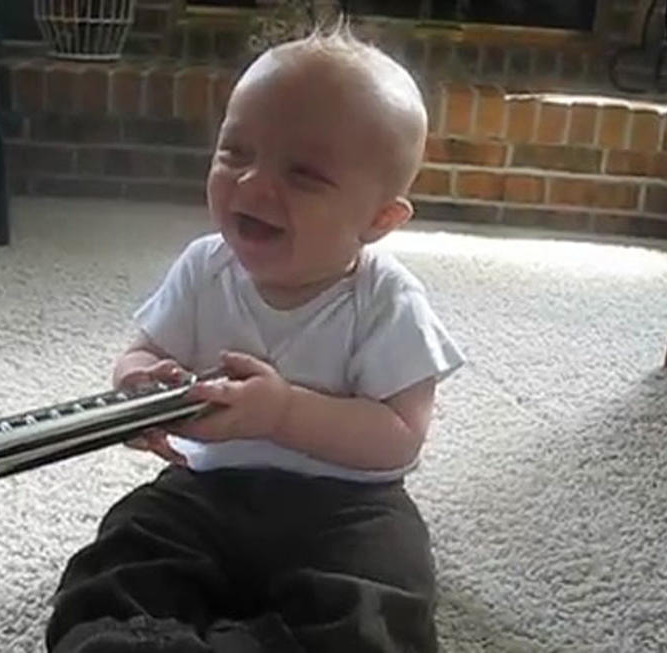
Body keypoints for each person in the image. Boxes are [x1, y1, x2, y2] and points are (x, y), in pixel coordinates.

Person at [46, 22, 465, 653]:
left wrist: (283, 412)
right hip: (206, 488)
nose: (251, 185)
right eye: (235, 153)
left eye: (304, 174)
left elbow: (400, 437)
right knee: (123, 556)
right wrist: (136, 388)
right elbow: (144, 349)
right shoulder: (203, 267)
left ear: (379, 220)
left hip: (350, 506)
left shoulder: (387, 299)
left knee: (379, 599)